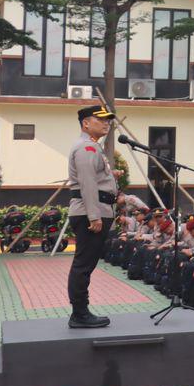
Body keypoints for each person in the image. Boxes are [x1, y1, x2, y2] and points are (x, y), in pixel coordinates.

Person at [66, 104, 118, 329]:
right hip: (91, 212)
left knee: (85, 264)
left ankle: (80, 312)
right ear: (86, 123)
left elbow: (93, 178)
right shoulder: (87, 147)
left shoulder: (91, 147)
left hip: (94, 209)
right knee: (83, 265)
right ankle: (79, 313)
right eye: (101, 119)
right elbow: (87, 184)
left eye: (107, 120)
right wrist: (94, 217)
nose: (106, 123)